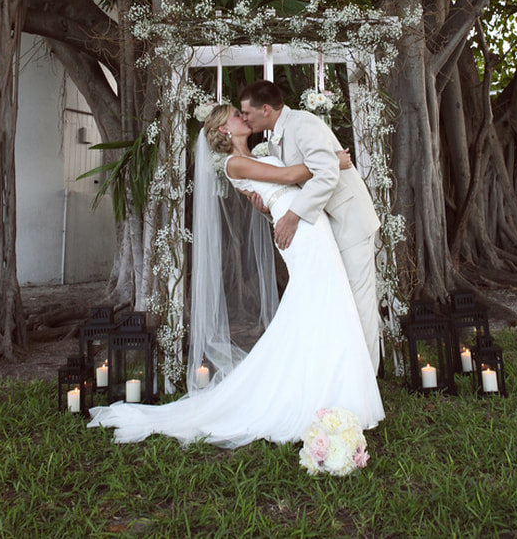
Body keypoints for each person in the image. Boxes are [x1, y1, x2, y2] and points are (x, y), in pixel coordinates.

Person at [87, 103, 384, 447]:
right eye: (235, 116)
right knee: (318, 298)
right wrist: (335, 162)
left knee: (326, 301)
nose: (243, 117)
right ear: (224, 131)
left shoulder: (261, 152)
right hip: (298, 230)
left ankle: (328, 385)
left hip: (310, 222)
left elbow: (282, 182)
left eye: (242, 113)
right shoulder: (234, 163)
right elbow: (289, 177)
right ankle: (314, 391)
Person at [239, 80, 381, 373]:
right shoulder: (277, 136)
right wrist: (270, 209)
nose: (244, 118)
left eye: (247, 112)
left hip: (350, 221)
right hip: (327, 228)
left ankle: (366, 379)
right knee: (340, 303)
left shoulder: (303, 124)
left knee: (359, 303)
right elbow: (295, 186)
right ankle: (344, 375)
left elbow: (327, 174)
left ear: (265, 109)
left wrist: (291, 216)